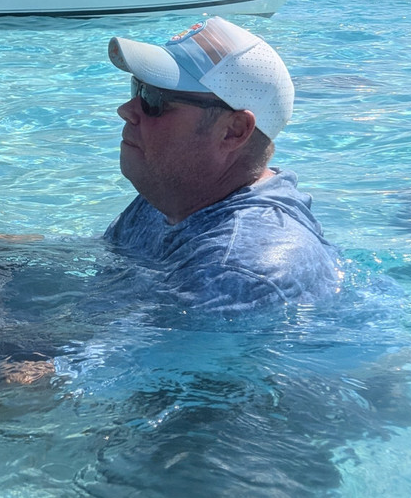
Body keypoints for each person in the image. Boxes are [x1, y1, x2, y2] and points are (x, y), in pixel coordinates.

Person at [105, 16, 342, 312]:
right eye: (137, 87)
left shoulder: (239, 270)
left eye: (154, 98)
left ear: (234, 131)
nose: (126, 110)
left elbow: (131, 356)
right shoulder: (173, 194)